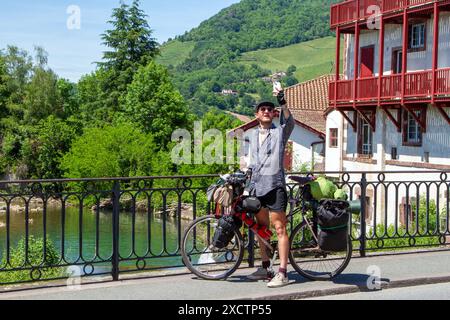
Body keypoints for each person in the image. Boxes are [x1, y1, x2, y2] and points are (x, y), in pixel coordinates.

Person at [246, 86, 294, 288]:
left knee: (279, 228)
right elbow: (251, 162)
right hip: (257, 186)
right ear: (256, 114)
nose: (266, 111)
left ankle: (282, 272)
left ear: (273, 114)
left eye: (269, 109)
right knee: (260, 229)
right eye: (262, 109)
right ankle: (265, 267)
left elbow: (290, 121)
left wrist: (282, 102)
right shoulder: (252, 134)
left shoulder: (280, 132)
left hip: (275, 186)